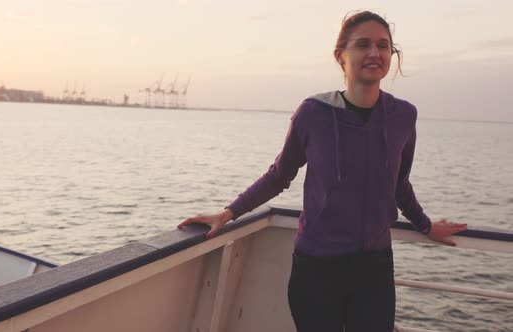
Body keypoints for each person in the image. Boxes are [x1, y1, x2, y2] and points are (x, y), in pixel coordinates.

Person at [177, 10, 467, 332]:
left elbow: (399, 184)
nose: (374, 53)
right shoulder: (313, 113)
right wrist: (228, 212)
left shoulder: (403, 116)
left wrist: (425, 226)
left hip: (374, 268)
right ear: (340, 56)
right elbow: (279, 175)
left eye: (383, 45)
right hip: (316, 269)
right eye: (362, 45)